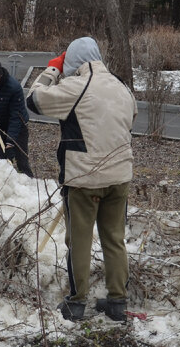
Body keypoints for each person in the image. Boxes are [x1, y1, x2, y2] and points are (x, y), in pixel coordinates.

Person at [27, 37, 136, 323]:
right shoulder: (122, 87)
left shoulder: (75, 86)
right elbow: (131, 117)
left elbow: (34, 100)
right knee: (115, 239)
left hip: (84, 179)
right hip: (120, 177)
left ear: (72, 62)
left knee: (79, 241)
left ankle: (76, 303)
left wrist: (51, 71)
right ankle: (117, 303)